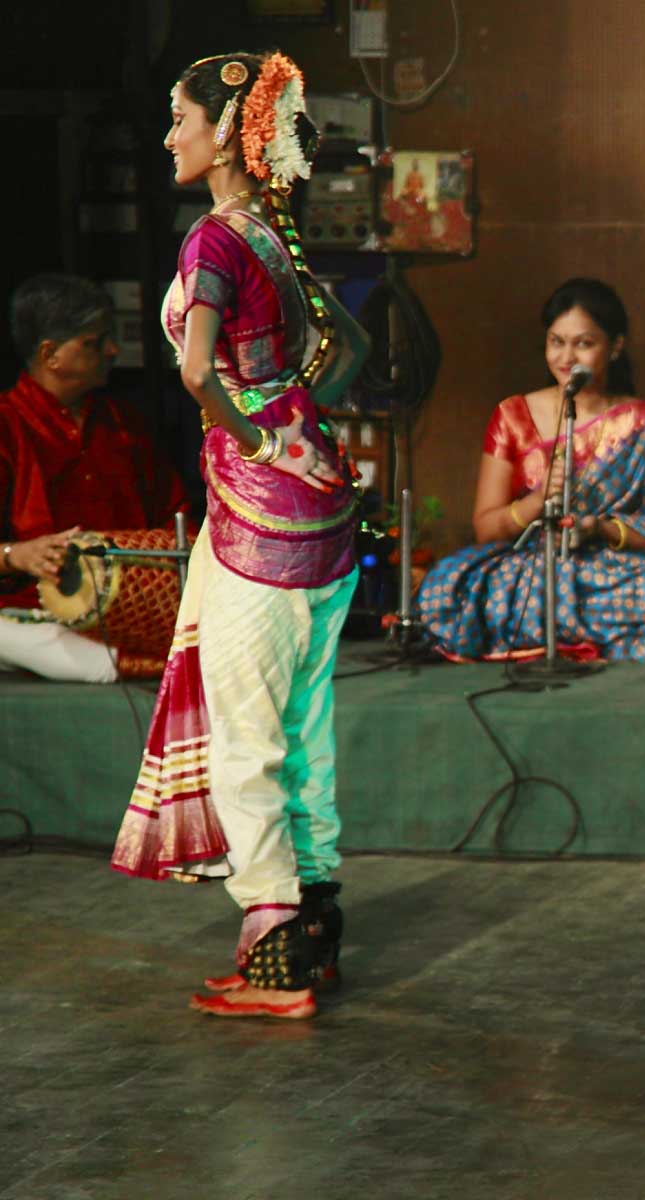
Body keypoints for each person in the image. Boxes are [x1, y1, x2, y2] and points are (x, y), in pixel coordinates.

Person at [110, 50, 369, 1022]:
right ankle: (319, 922)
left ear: (224, 133)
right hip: (320, 515)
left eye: (179, 118)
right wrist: (296, 419)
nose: (169, 134)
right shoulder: (274, 230)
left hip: (260, 525)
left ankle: (277, 956)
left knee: (246, 741)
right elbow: (353, 347)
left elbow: (192, 370)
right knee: (304, 733)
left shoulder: (215, 240)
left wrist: (250, 428)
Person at [415, 278, 645, 661]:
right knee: (444, 585)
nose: (566, 358)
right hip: (531, 564)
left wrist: (600, 528)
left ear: (615, 347)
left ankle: (548, 632)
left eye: (584, 343)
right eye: (556, 341)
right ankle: (571, 632)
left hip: (614, 569)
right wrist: (537, 501)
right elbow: (486, 529)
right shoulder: (513, 415)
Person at [0, 273, 189, 680]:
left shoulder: (123, 424)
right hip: (32, 615)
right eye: (95, 342)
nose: (114, 350)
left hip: (137, 615)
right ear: (51, 354)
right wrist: (16, 555)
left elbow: (176, 516)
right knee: (60, 651)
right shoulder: (7, 426)